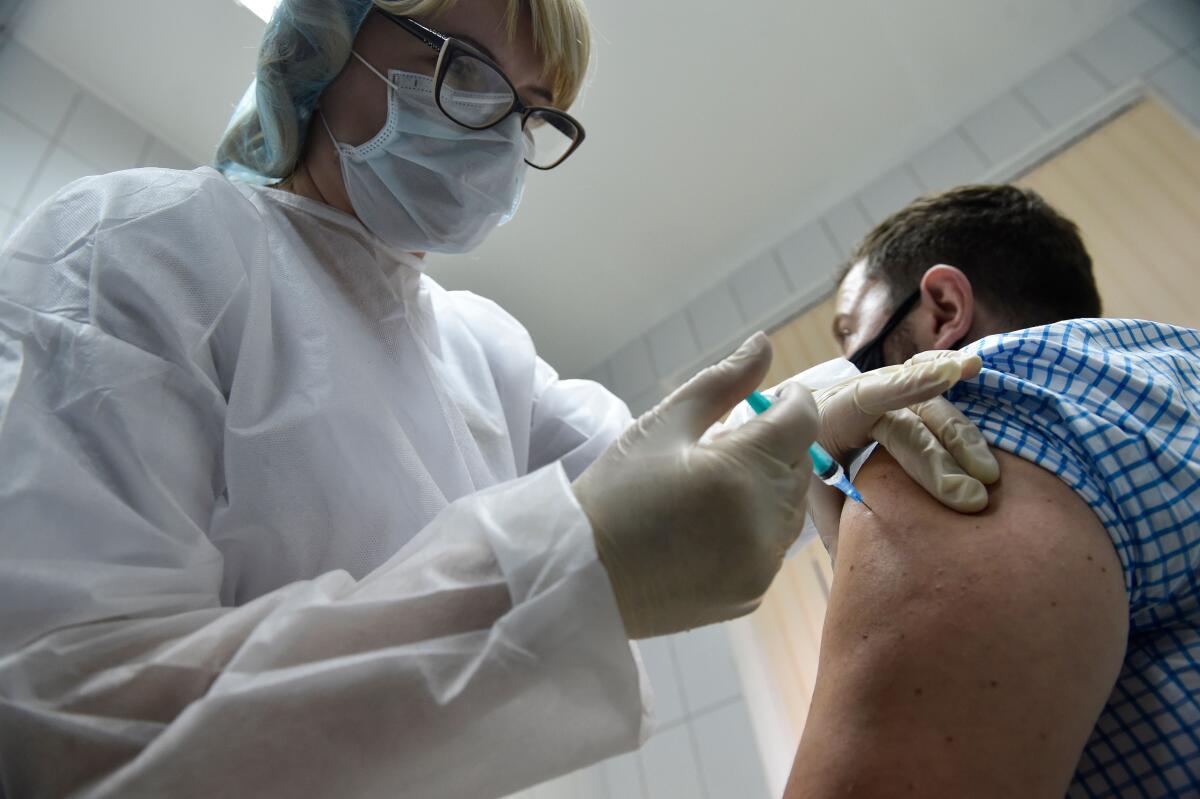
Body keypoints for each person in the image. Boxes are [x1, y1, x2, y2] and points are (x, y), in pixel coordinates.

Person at [0, 1, 994, 797]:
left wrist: (838, 397)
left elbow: (675, 463)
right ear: (330, 32)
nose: (502, 138)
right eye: (468, 72)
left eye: (532, 113)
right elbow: (57, 723)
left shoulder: (484, 350)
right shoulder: (141, 243)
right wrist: (569, 570)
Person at [784, 185, 1199, 797]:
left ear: (943, 309)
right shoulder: (1171, 373)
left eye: (849, 333)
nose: (846, 362)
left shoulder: (949, 415)